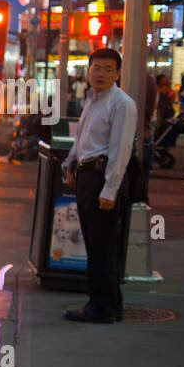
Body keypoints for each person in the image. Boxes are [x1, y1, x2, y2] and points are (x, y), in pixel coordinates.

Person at [61, 48, 138, 324]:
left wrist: (110, 189)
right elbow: (82, 139)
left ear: (118, 73)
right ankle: (111, 303)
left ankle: (101, 306)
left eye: (108, 69)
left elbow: (121, 150)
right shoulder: (93, 100)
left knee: (102, 246)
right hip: (87, 177)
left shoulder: (121, 104)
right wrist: (70, 164)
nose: (101, 73)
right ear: (88, 71)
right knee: (96, 244)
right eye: (96, 68)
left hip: (103, 179)